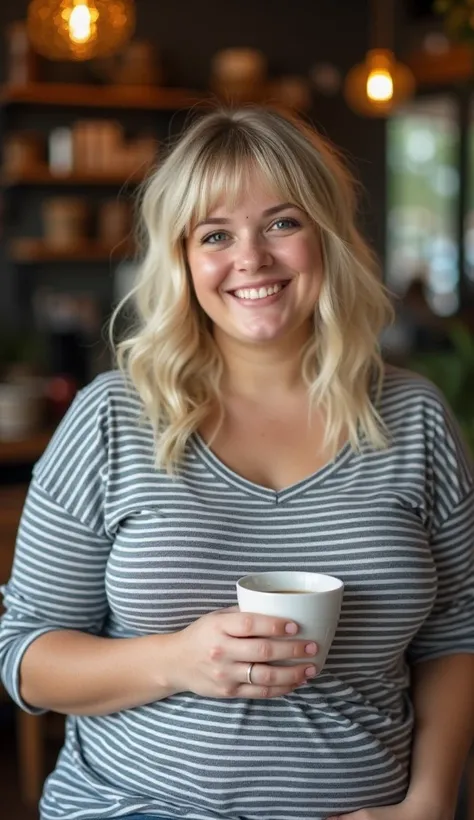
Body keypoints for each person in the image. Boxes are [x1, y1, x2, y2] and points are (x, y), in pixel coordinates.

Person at [0, 107, 473, 820]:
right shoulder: (113, 417)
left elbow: (457, 634)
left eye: (282, 223)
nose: (251, 259)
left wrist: (431, 803)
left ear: (329, 236)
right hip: (135, 806)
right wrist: (178, 660)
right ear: (183, 260)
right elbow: (25, 655)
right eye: (215, 235)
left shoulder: (413, 417)